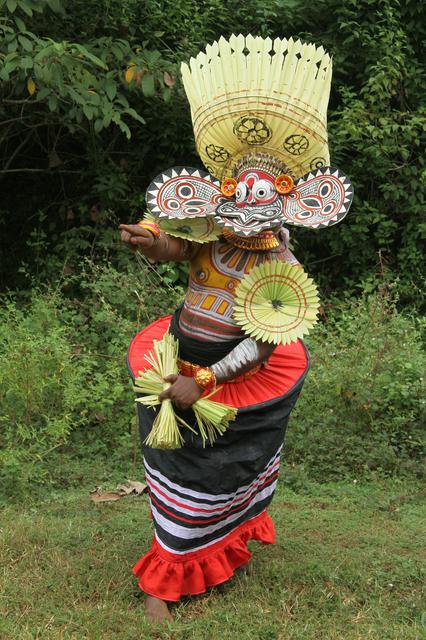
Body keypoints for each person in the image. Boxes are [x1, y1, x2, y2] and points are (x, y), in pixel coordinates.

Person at [120, 34, 353, 622]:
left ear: (282, 211)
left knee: (224, 476)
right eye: (236, 214)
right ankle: (165, 576)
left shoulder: (283, 267)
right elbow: (175, 241)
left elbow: (261, 341)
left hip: (232, 376)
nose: (244, 227)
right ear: (224, 202)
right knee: (173, 467)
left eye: (259, 217)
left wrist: (206, 380)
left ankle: (216, 550)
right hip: (178, 354)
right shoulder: (212, 232)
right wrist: (152, 241)